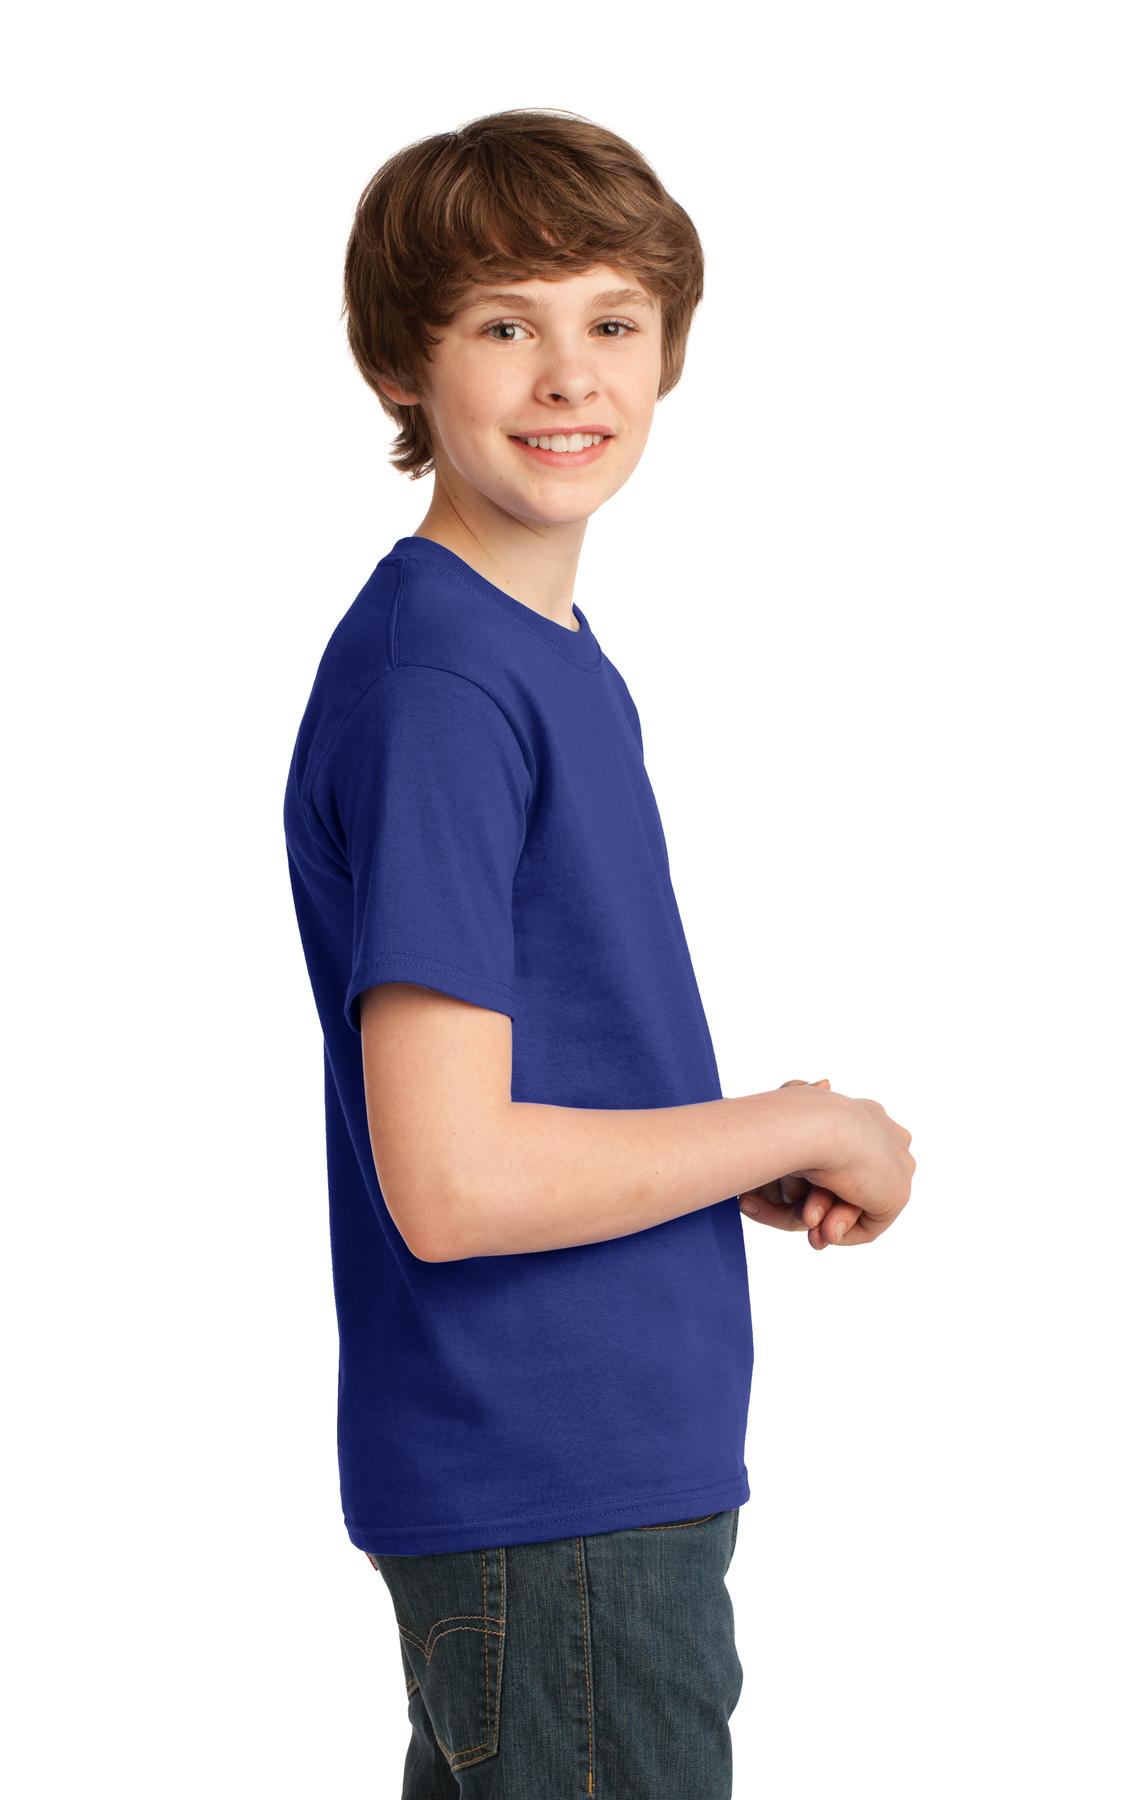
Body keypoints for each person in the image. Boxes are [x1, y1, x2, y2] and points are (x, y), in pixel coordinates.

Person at [282, 106, 915, 1800]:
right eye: (506, 326)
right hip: (557, 1491)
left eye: (612, 321)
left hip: (580, 1489)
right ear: (399, 364)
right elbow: (453, 1180)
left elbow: (530, 1090)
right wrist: (799, 1122)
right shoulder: (444, 686)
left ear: (667, 352)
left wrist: (720, 1157)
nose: (570, 375)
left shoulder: (533, 651)